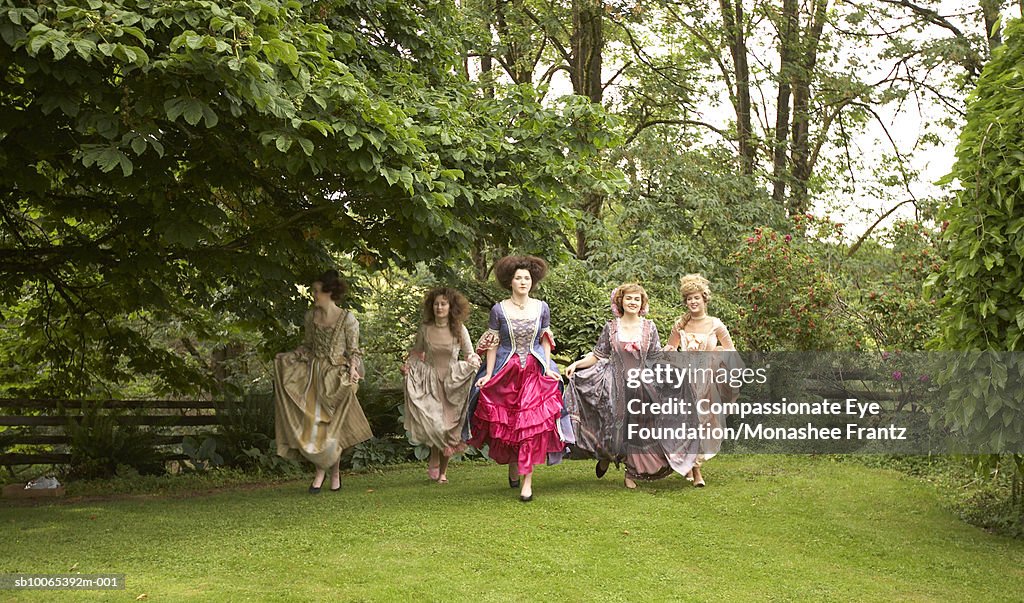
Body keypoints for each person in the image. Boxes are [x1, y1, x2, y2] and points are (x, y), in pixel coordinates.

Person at [565, 283, 697, 489]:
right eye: (629, 298)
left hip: (642, 384)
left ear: (642, 303)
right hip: (613, 384)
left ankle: (630, 473)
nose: (633, 302)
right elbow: (598, 354)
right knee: (613, 426)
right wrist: (576, 364)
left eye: (637, 299)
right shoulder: (611, 327)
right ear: (621, 301)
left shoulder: (649, 327)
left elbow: (655, 357)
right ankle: (607, 455)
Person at [465, 255, 573, 502]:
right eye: (518, 278)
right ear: (510, 281)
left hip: (534, 369)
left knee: (530, 425)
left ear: (532, 281)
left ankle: (527, 480)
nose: (523, 281)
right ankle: (514, 463)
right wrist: (490, 374)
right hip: (507, 369)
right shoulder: (499, 309)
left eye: (527, 278)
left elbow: (545, 340)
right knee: (510, 423)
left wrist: (547, 366)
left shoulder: (541, 307)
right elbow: (493, 344)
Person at [273, 269, 372, 493]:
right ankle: (327, 472)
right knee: (317, 427)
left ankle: (327, 473)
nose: (314, 295)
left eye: (317, 291)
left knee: (333, 428)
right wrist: (289, 357)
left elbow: (354, 351)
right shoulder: (311, 317)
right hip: (314, 377)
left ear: (329, 292)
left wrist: (354, 369)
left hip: (337, 378)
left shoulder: (348, 319)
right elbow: (308, 347)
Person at [664, 273, 740, 487]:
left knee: (704, 424)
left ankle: (691, 464)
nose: (693, 302)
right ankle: (695, 471)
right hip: (685, 380)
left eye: (696, 297)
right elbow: (671, 348)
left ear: (704, 299)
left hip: (707, 381)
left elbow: (730, 350)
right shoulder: (680, 324)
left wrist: (717, 358)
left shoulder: (716, 324)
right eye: (689, 299)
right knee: (688, 424)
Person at [401, 288, 481, 484]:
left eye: (443, 304)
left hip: (452, 383)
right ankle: (434, 455)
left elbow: (468, 352)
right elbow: (417, 352)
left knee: (448, 429)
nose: (439, 307)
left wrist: (474, 361)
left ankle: (443, 472)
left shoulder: (459, 329)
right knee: (434, 422)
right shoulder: (425, 328)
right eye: (436, 304)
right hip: (429, 381)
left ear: (451, 306)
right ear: (432, 306)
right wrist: (408, 366)